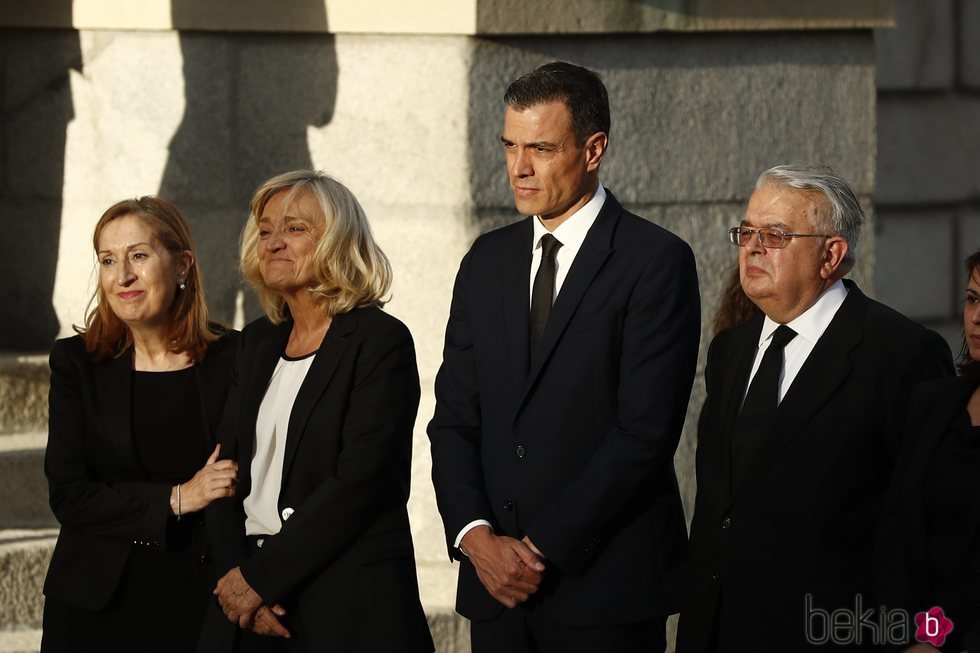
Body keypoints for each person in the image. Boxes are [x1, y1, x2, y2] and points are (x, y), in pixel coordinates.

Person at [428, 61, 701, 652]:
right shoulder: (486, 261)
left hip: (604, 591)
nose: (518, 168)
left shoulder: (655, 261)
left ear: (593, 148)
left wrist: (535, 549)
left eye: (541, 149)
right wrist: (476, 538)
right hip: (494, 594)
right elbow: (453, 420)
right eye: (510, 146)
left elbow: (644, 433)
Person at [676, 164, 955, 652]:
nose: (753, 247)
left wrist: (932, 637)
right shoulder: (730, 350)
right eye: (746, 232)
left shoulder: (900, 353)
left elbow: (940, 516)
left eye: (776, 235)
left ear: (831, 254)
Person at [202, 170, 433, 652]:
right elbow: (225, 472)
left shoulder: (379, 342)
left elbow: (360, 483)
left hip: (343, 603)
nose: (273, 243)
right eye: (265, 231)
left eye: (294, 228)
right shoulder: (255, 344)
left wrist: (260, 580)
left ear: (338, 241)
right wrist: (235, 580)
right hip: (247, 606)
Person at [41, 197, 239, 653]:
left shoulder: (235, 358)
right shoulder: (77, 363)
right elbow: (70, 495)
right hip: (94, 607)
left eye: (139, 255)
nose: (121, 276)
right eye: (108, 260)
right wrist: (177, 498)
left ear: (183, 264)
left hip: (202, 599)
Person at [877, 250, 980, 653]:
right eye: (972, 299)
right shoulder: (934, 402)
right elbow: (895, 532)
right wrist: (912, 640)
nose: (976, 317)